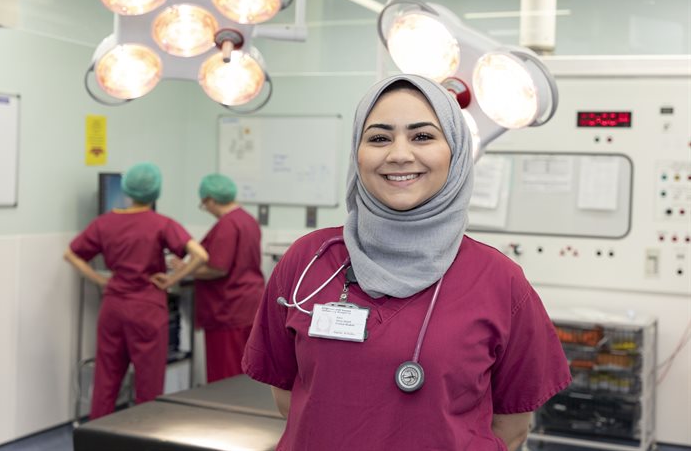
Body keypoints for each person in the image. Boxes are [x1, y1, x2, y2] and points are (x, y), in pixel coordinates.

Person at [241, 74, 571, 450]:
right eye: (379, 137)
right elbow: (289, 397)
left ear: (456, 151)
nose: (399, 154)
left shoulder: (500, 281)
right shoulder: (307, 262)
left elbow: (511, 428)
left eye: (422, 136)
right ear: (357, 152)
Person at [64, 162, 208, 419]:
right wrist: (173, 278)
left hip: (113, 307)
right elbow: (200, 255)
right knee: (148, 385)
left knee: (106, 380)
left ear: (127, 191)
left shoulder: (104, 223)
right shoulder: (162, 223)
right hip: (147, 309)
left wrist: (99, 279)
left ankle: (98, 441)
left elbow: (71, 254)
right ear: (156, 192)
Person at [186, 173, 265, 383]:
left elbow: (218, 268)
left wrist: (186, 270)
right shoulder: (247, 220)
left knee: (224, 376)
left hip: (227, 308)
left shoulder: (227, 225)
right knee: (244, 372)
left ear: (211, 200)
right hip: (249, 305)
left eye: (205, 205)